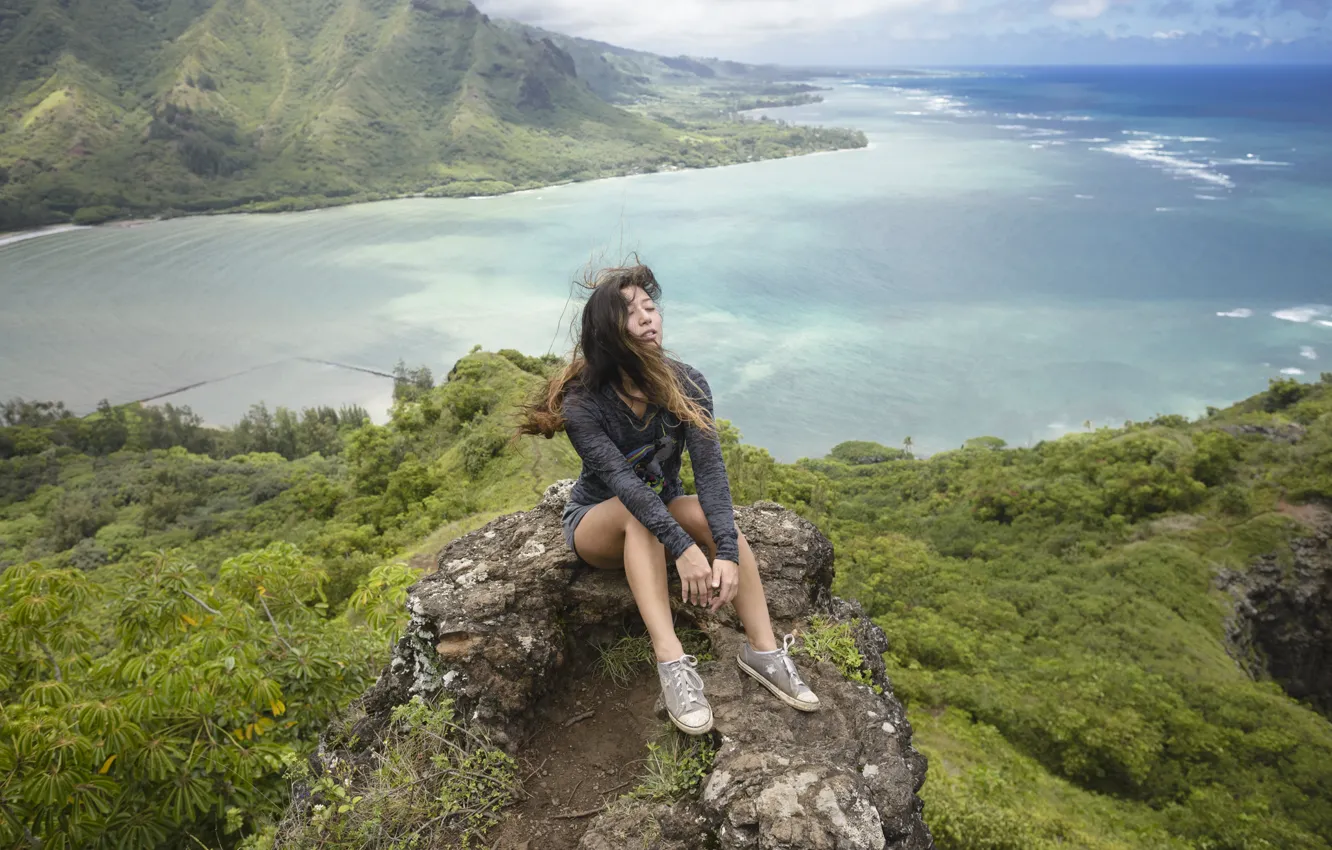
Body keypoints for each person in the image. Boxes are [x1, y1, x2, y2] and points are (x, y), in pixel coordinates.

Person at [520, 262, 818, 736]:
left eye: (650, 307)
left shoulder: (689, 382)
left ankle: (763, 652)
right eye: (629, 313)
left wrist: (721, 551)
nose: (646, 318)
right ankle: (672, 662)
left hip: (663, 511)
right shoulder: (584, 402)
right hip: (600, 523)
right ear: (606, 332)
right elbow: (625, 486)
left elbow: (711, 472)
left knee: (707, 513)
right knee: (640, 515)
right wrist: (683, 551)